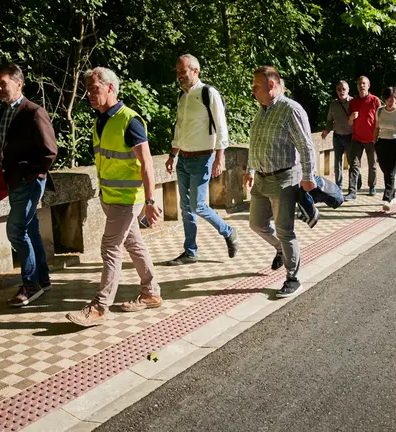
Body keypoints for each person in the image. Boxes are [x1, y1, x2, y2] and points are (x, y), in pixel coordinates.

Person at [66, 67, 163, 327]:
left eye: (94, 88)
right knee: (134, 244)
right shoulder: (101, 120)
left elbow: (147, 164)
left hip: (127, 198)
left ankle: (99, 307)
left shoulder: (128, 120)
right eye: (87, 89)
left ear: (110, 88)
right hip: (110, 197)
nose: (89, 94)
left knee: (110, 248)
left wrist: (151, 201)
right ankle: (151, 292)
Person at [0, 63, 58, 307]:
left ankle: (31, 285)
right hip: (12, 181)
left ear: (19, 83)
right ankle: (42, 279)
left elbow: (50, 151)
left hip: (29, 182)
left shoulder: (33, 112)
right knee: (30, 229)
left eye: (3, 83)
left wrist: (30, 174)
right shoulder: (3, 113)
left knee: (16, 231)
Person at [244, 66, 317, 298]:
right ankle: (279, 249)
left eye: (256, 86)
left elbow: (306, 146)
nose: (253, 91)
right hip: (261, 179)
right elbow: (255, 142)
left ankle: (292, 278)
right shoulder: (262, 111)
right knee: (256, 224)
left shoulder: (290, 109)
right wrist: (250, 169)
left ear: (271, 85)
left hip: (285, 178)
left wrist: (308, 176)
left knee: (285, 229)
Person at [165, 54, 238, 266]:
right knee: (186, 207)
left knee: (198, 205)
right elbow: (179, 128)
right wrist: (172, 155)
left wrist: (219, 158)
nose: (179, 75)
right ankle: (190, 252)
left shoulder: (208, 93)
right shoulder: (182, 96)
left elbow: (221, 127)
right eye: (177, 72)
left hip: (203, 157)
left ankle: (229, 231)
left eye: (183, 72)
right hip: (183, 159)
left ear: (195, 71)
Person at [373, 86, 396, 212]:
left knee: (391, 171)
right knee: (385, 170)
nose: (390, 100)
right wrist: (374, 142)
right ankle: (392, 196)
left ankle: (387, 198)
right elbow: (376, 127)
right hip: (382, 143)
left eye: (393, 98)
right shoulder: (380, 111)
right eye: (388, 98)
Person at [346, 76, 381, 199]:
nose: (362, 86)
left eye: (364, 83)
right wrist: (351, 118)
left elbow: (380, 119)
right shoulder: (353, 102)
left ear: (368, 85)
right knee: (354, 165)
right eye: (359, 84)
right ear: (357, 86)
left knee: (372, 165)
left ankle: (372, 186)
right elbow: (349, 122)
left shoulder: (375, 100)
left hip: (371, 139)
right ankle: (352, 191)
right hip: (356, 138)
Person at [321, 81, 353, 189]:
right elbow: (329, 120)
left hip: (350, 136)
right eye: (339, 89)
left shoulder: (353, 102)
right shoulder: (333, 104)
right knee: (337, 162)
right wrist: (326, 130)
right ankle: (338, 186)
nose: (341, 91)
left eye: (344, 89)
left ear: (348, 90)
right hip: (337, 136)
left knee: (352, 162)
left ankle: (354, 184)